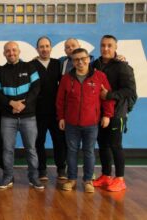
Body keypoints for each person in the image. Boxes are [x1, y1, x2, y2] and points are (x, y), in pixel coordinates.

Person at [57, 48, 114, 193]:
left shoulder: (99, 76)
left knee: (88, 152)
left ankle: (88, 180)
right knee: (71, 152)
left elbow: (107, 97)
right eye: (76, 59)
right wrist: (61, 117)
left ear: (88, 59)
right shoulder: (66, 79)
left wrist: (107, 115)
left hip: (91, 123)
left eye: (83, 58)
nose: (80, 62)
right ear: (72, 62)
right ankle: (72, 179)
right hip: (71, 124)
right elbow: (60, 100)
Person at [0, 41, 44, 190]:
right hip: (8, 118)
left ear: (19, 51)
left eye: (14, 50)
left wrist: (23, 104)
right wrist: (11, 103)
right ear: (4, 54)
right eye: (8, 51)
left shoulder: (30, 67)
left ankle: (34, 177)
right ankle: (8, 177)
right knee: (7, 149)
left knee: (31, 149)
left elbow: (36, 88)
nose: (11, 53)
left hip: (28, 116)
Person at [93, 35, 137, 192]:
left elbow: (130, 91)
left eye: (109, 45)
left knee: (115, 146)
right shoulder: (95, 64)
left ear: (115, 47)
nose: (105, 48)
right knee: (103, 145)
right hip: (100, 113)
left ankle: (120, 179)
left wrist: (109, 95)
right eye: (103, 45)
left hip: (117, 114)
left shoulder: (122, 66)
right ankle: (106, 175)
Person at [29, 36, 67, 181]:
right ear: (37, 49)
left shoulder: (58, 64)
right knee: (39, 141)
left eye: (46, 46)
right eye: (41, 46)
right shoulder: (31, 65)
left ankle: (61, 169)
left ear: (51, 48)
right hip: (38, 111)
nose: (44, 49)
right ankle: (42, 170)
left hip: (56, 111)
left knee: (59, 141)